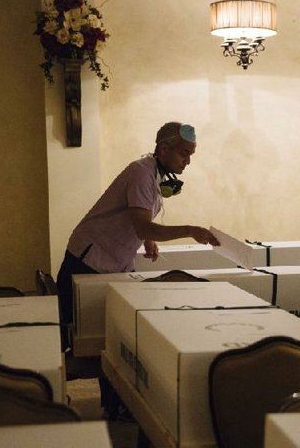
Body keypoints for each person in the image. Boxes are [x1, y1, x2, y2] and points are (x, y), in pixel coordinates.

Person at [55, 121, 219, 415]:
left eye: (191, 154)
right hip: (90, 259)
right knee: (77, 335)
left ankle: (113, 404)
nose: (188, 161)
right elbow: (142, 223)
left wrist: (147, 241)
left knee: (109, 334)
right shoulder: (141, 172)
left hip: (112, 260)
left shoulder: (154, 173)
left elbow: (139, 223)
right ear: (164, 148)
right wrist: (190, 229)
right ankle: (47, 394)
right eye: (184, 153)